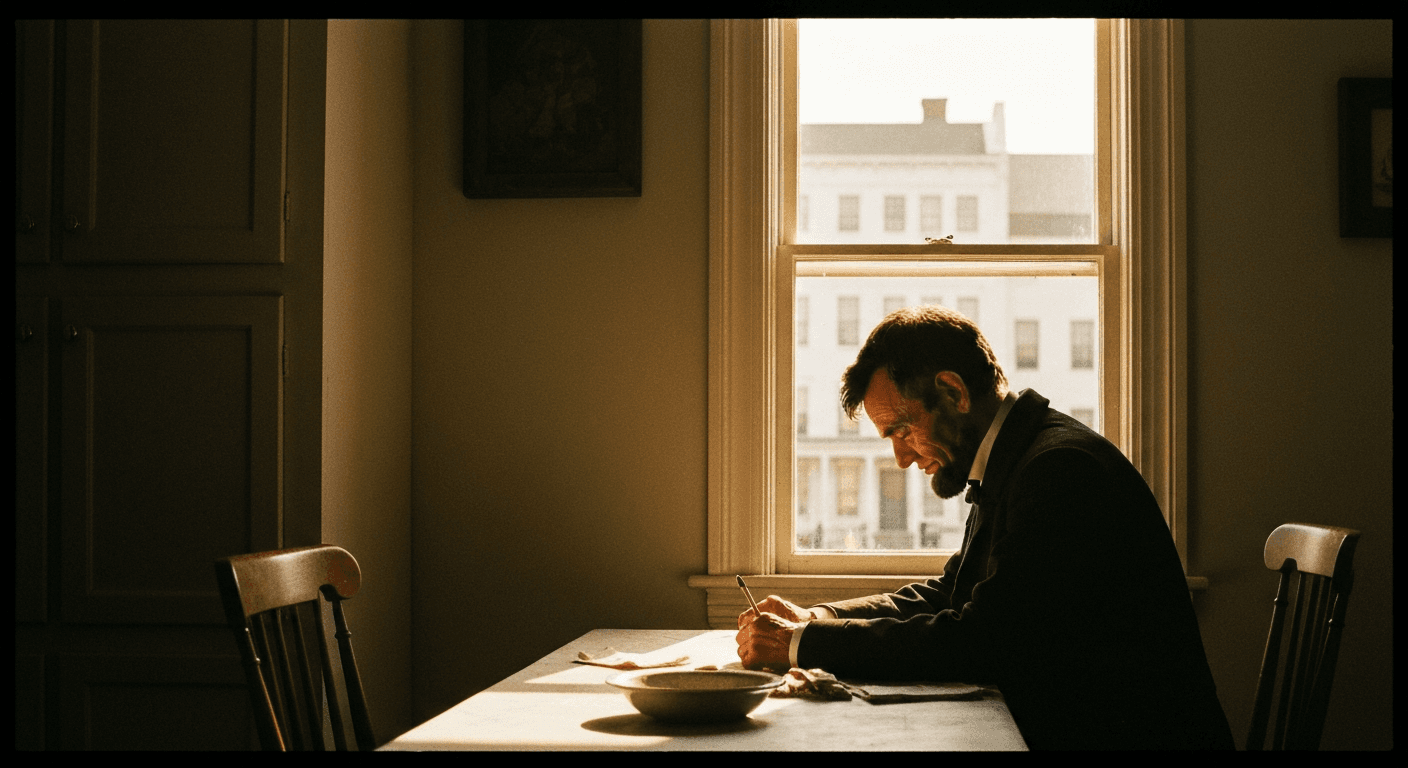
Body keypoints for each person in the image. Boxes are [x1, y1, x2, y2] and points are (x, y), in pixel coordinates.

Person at [736, 306, 1234, 750]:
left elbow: (987, 643)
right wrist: (817, 618)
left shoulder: (1057, 469)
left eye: (902, 430)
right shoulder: (1019, 456)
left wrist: (803, 643)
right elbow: (952, 591)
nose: (902, 457)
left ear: (953, 392)